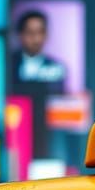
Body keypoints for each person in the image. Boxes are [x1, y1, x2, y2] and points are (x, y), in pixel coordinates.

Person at [9, 9, 66, 160]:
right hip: (16, 135)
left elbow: (62, 106)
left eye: (40, 32)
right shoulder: (7, 65)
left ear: (46, 35)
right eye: (30, 32)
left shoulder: (56, 67)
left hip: (47, 139)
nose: (35, 38)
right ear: (20, 35)